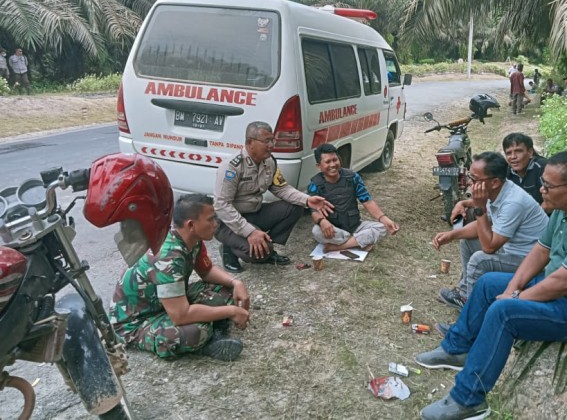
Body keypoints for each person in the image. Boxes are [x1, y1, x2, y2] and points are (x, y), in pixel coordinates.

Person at [415, 152, 567, 420]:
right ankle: (457, 349)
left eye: (548, 186)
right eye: (543, 183)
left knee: (503, 312)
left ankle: (468, 401)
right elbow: (541, 252)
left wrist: (516, 299)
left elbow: (566, 281)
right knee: (488, 284)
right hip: (562, 292)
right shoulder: (564, 210)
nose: (541, 190)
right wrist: (512, 288)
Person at [109, 194, 250, 361]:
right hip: (137, 321)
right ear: (191, 224)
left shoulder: (191, 238)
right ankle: (207, 342)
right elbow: (180, 315)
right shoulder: (169, 257)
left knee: (227, 291)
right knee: (196, 331)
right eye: (211, 220)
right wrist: (231, 311)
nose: (216, 224)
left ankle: (213, 328)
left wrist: (236, 283)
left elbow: (207, 271)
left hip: (165, 303)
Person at [434, 152, 548, 311]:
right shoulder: (497, 191)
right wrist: (452, 234)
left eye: (474, 179)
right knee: (468, 241)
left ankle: (471, 312)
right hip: (513, 249)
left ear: (494, 182)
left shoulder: (513, 203)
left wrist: (479, 207)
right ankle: (465, 293)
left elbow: (489, 247)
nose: (469, 183)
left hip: (531, 260)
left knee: (480, 259)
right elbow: (484, 227)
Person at [214, 121, 332, 271]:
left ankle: (267, 248)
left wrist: (307, 200)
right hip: (228, 222)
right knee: (257, 255)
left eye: (272, 140)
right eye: (266, 141)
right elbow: (221, 205)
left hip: (254, 213)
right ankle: (229, 250)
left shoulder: (269, 162)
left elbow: (281, 188)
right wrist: (250, 231)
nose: (271, 145)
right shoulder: (232, 167)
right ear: (250, 142)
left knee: (296, 207)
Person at [308, 143, 399, 252]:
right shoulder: (315, 184)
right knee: (316, 231)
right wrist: (322, 221)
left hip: (355, 226)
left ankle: (339, 246)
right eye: (327, 162)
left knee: (382, 227)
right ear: (319, 166)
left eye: (335, 160)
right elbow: (314, 210)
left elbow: (367, 201)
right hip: (333, 228)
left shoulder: (352, 177)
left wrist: (383, 218)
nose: (332, 165)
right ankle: (357, 242)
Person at [502, 133, 547, 205]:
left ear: (530, 152)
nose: (513, 157)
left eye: (518, 151)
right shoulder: (506, 173)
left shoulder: (543, 168)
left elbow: (553, 202)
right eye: (509, 153)